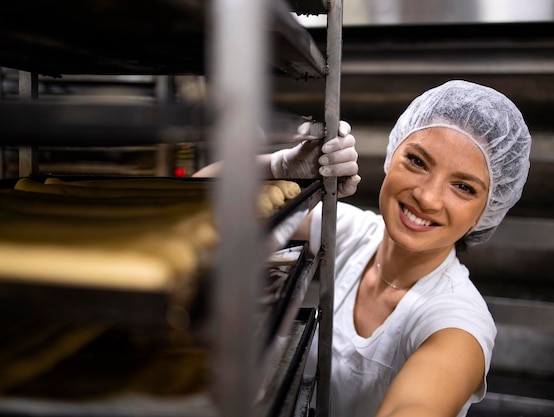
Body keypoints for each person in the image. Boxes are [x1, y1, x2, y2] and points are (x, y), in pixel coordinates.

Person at [197, 79, 532, 417]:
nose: (427, 197)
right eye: (417, 161)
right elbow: (194, 204)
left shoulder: (459, 320)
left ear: (486, 212)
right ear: (391, 157)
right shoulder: (354, 233)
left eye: (463, 187)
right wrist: (280, 167)